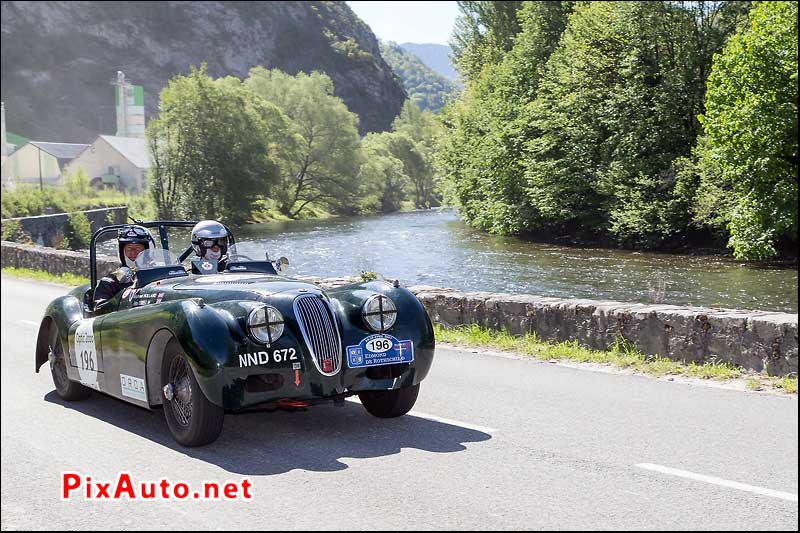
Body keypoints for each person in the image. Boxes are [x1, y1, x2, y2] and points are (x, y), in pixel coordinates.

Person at [93, 224, 151, 310]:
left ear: (147, 251)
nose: (133, 252)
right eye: (129, 249)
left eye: (138, 249)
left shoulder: (158, 275)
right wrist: (124, 297)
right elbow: (99, 310)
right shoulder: (109, 282)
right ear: (122, 251)